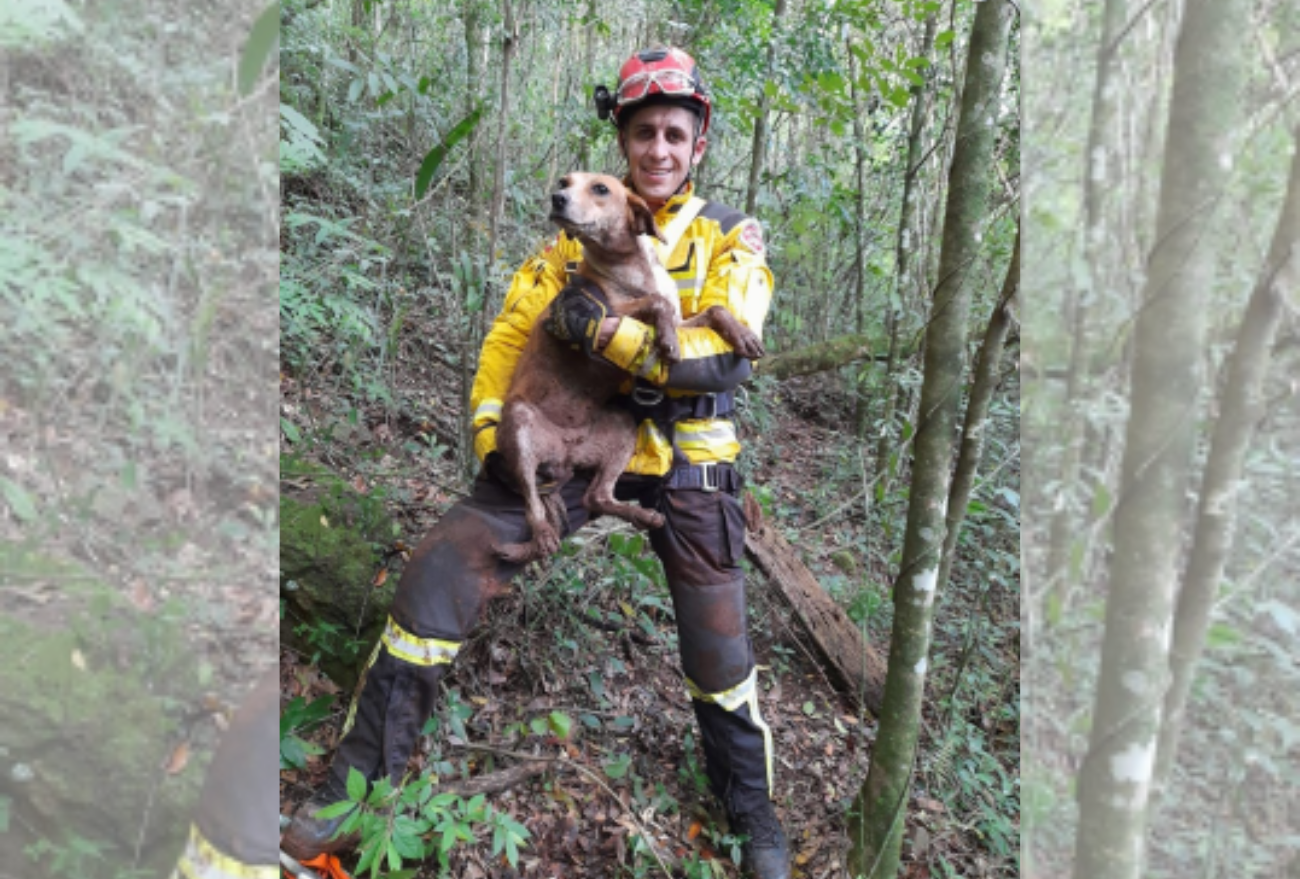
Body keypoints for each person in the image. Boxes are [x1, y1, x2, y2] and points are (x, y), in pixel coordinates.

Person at [281, 46, 788, 879]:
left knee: (721, 656)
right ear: (622, 144)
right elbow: (512, 337)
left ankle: (755, 822)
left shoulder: (730, 234)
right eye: (643, 134)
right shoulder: (573, 234)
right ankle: (348, 799)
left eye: (673, 134)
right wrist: (494, 438)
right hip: (566, 438)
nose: (658, 150)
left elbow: (725, 360)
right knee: (435, 578)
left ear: (697, 144)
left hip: (689, 460)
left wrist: (606, 333)